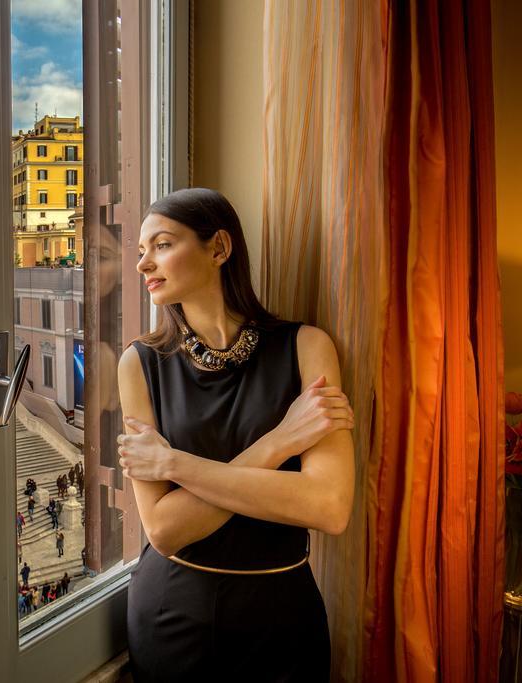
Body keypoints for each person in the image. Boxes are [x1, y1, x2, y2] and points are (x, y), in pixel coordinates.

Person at [117, 188, 355, 681]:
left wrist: (176, 465)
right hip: (172, 614)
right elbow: (163, 530)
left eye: (161, 245)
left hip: (283, 617)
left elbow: (328, 507)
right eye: (141, 252)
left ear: (219, 248)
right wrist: (280, 441)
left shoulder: (307, 347)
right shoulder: (140, 364)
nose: (143, 265)